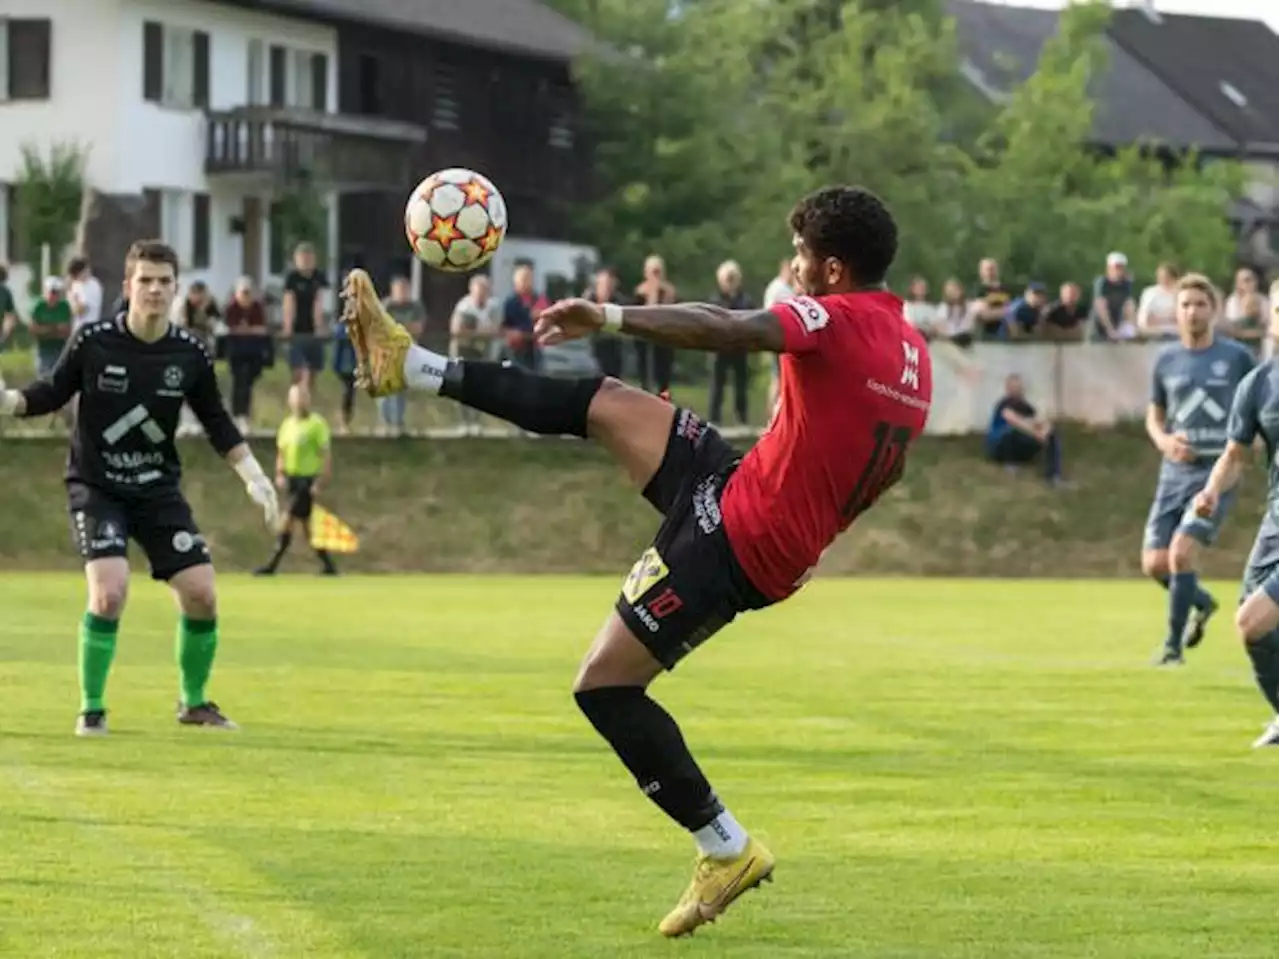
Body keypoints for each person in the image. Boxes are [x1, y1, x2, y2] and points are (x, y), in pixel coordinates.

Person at [339, 185, 933, 937]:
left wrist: (611, 314)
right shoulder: (912, 351)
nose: (794, 267)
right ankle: (409, 365)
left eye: (802, 258)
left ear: (836, 269)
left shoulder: (835, 318)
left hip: (741, 539)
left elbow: (732, 327)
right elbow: (889, 466)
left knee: (604, 685)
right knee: (607, 400)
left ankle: (726, 846)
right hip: (747, 493)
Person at [0, 240, 279, 736]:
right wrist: (9, 401)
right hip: (97, 486)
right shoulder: (93, 342)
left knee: (202, 595)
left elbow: (217, 423)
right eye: (145, 280)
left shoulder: (189, 353)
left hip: (156, 490)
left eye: (164, 281)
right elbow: (50, 392)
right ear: (127, 287)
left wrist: (254, 477)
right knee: (109, 594)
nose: (154, 289)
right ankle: (92, 708)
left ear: (175, 290)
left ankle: (194, 704)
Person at [1141, 274, 1255, 667]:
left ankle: (1172, 650)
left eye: (1200, 304)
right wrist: (1164, 441)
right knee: (1154, 563)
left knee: (1181, 554)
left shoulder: (1237, 357)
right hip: (1174, 472)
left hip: (1217, 474)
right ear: (1176, 311)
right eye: (1186, 304)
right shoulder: (1166, 360)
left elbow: (1259, 404)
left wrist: (1249, 445)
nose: (1193, 311)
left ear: (1214, 310)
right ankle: (1201, 603)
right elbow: (1154, 416)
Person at [1193, 350, 1280, 746]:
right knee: (1254, 630)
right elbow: (1234, 455)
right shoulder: (1259, 383)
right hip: (1275, 525)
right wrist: (1210, 491)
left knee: (1252, 619)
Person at [255, 384, 337, 576]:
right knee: (307, 528)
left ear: (309, 400)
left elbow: (325, 455)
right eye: (296, 397)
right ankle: (328, 565)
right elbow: (281, 452)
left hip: (306, 481)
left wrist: (320, 481)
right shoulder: (287, 425)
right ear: (290, 401)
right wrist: (280, 473)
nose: (300, 401)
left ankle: (272, 565)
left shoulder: (317, 424)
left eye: (303, 397)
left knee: (287, 520)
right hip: (292, 480)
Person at [985, 374, 1064, 484]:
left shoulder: (1026, 407)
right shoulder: (1003, 404)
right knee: (1012, 431)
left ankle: (1053, 476)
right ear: (1007, 389)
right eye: (1013, 387)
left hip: (1021, 448)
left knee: (1052, 433)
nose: (1017, 390)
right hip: (999, 448)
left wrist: (1046, 430)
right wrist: (1035, 432)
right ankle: (1010, 464)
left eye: (1019, 387)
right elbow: (1013, 420)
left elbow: (1038, 420)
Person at [282, 242, 328, 386]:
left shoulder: (319, 277)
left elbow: (321, 303)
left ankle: (307, 401)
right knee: (298, 370)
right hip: (297, 330)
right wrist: (287, 327)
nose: (306, 261)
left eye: (309, 258)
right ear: (296, 260)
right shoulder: (292, 278)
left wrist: (321, 327)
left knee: (313, 370)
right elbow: (289, 303)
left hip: (314, 331)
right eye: (302, 258)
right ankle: (295, 401)